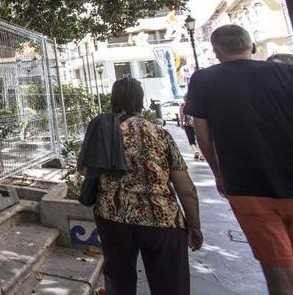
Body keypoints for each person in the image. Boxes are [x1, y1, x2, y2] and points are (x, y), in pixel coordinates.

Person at [185, 24, 293, 295]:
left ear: (216, 51)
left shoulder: (205, 79)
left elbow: (202, 131)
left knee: (277, 268)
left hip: (246, 183)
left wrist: (218, 171)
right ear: (252, 46)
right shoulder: (286, 72)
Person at [82, 77, 202, 295]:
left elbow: (85, 171)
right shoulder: (161, 134)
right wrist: (194, 225)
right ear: (141, 100)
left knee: (119, 284)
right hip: (163, 219)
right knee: (170, 286)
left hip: (114, 217)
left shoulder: (106, 130)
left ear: (113, 98)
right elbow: (187, 189)